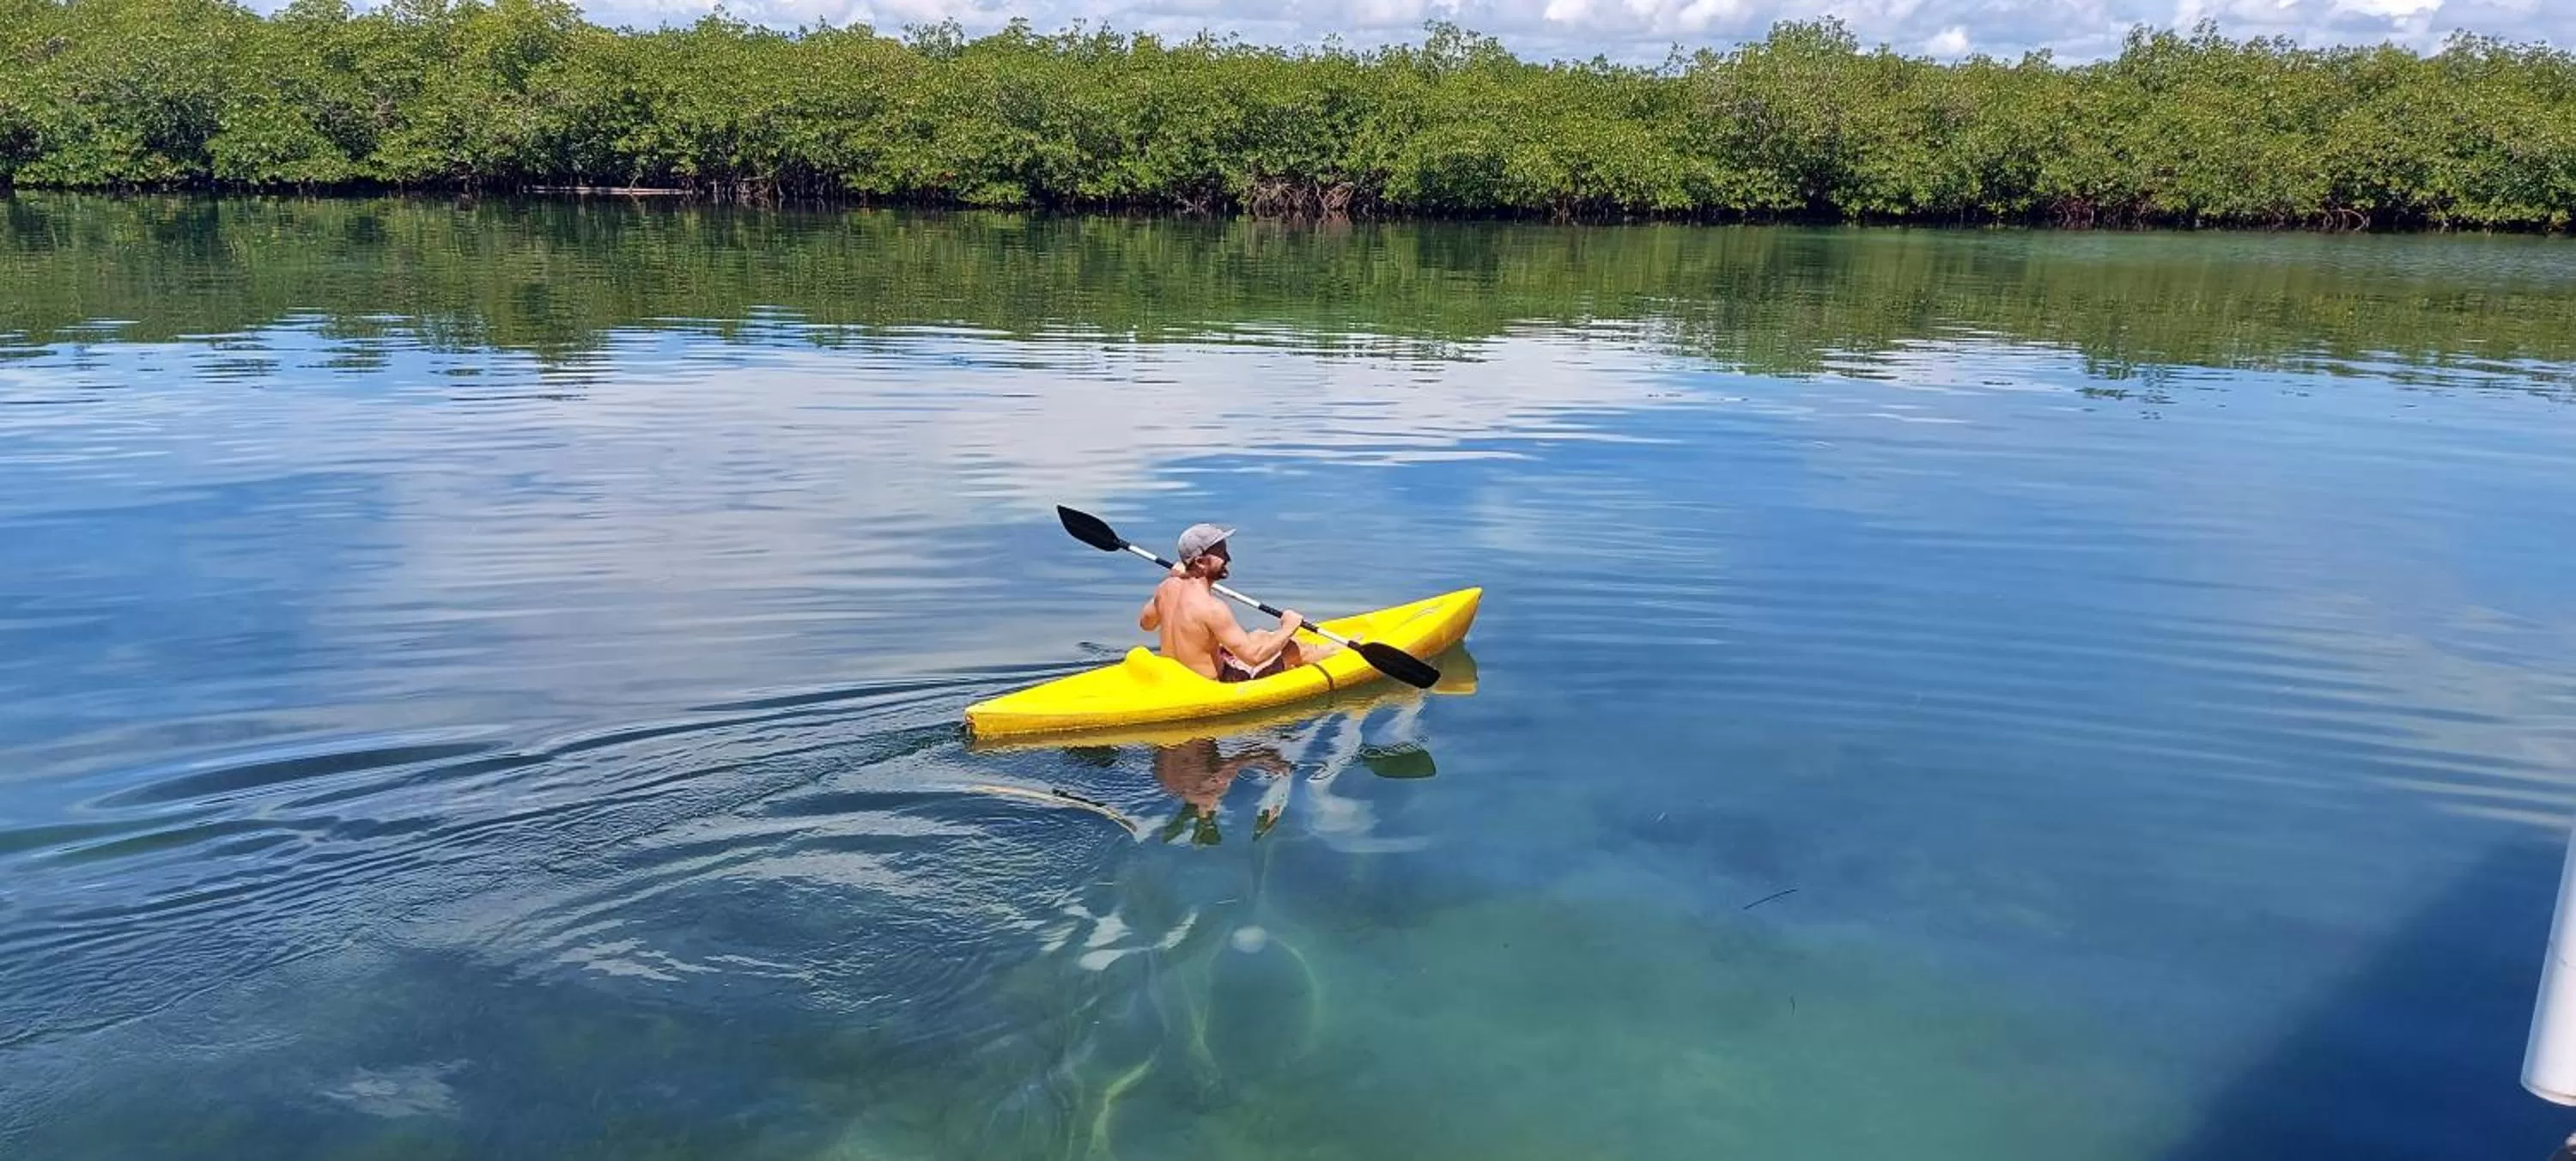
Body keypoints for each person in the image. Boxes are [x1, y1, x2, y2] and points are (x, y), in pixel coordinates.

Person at [1137, 524, 1342, 683]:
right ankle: (1341, 658)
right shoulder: (1212, 608)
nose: (1228, 558)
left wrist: (1172, 576)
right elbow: (1254, 657)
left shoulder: (1166, 588)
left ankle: (1328, 650)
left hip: (1176, 678)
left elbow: (1146, 624)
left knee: (1260, 635)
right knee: (1291, 648)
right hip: (1213, 685)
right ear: (1200, 562)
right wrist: (1288, 628)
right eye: (1221, 553)